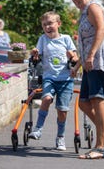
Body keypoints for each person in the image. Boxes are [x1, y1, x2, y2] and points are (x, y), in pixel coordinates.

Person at [69, 0, 104, 159]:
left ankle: (99, 148)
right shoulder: (84, 12)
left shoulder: (93, 7)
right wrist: (77, 65)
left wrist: (90, 56)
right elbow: (86, 41)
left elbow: (101, 30)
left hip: (99, 60)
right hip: (90, 61)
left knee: (97, 100)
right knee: (83, 102)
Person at [28, 11, 78, 151]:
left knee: (62, 110)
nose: (47, 27)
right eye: (44, 25)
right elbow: (37, 58)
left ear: (58, 24)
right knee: (46, 99)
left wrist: (71, 56)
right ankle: (38, 129)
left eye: (50, 23)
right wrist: (35, 55)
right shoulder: (43, 39)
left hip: (65, 79)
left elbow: (75, 59)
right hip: (49, 77)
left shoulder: (66, 39)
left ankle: (60, 137)